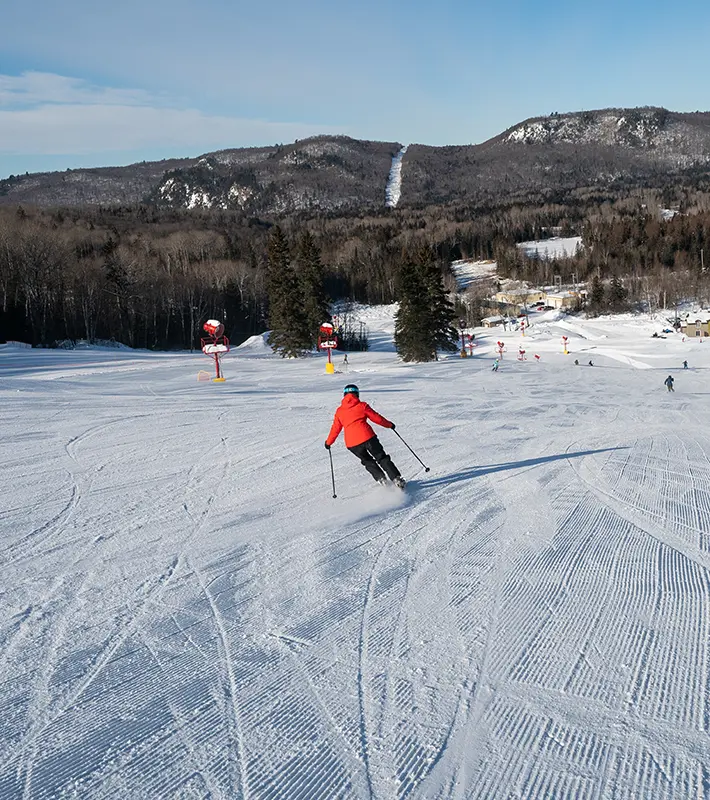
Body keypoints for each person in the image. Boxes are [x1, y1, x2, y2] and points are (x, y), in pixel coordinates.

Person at [325, 385, 405, 488]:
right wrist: (389, 425)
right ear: (357, 394)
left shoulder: (339, 411)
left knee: (367, 461)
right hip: (368, 438)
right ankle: (396, 479)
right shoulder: (362, 406)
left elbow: (335, 429)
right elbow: (377, 418)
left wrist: (328, 442)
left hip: (352, 444)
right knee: (381, 457)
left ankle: (381, 479)